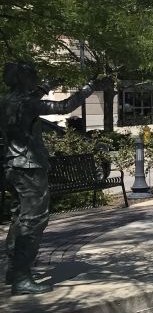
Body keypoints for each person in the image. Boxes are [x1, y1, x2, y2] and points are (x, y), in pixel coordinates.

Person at [1, 63, 111, 295]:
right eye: (33, 75)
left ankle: (13, 268)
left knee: (20, 216)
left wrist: (50, 83)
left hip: (11, 165)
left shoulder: (8, 101)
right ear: (23, 79)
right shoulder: (26, 103)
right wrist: (91, 87)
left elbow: (33, 97)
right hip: (29, 166)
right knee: (34, 219)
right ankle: (21, 277)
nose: (36, 80)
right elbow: (63, 107)